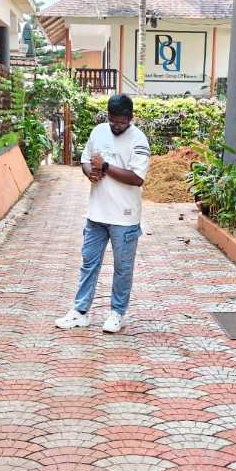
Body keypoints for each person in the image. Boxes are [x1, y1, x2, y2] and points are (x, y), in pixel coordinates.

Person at [56, 93, 151, 333]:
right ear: (107, 116)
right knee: (88, 264)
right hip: (96, 214)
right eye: (113, 120)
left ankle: (117, 313)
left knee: (122, 269)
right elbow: (85, 160)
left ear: (131, 118)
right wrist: (90, 172)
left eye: (121, 122)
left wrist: (105, 167)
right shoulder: (98, 131)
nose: (117, 126)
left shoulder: (139, 140)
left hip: (124, 218)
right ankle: (80, 312)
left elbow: (137, 178)